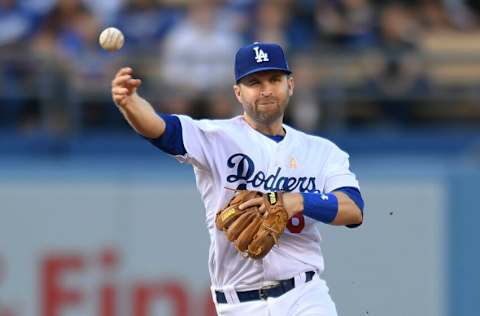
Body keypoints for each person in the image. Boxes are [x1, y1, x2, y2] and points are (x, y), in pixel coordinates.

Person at [111, 42, 364, 316]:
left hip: (305, 296)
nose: (266, 90)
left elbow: (353, 209)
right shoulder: (215, 137)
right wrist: (130, 104)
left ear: (290, 85)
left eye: (274, 80)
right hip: (238, 304)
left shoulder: (322, 151)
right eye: (254, 82)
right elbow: (160, 128)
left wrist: (297, 200)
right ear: (238, 93)